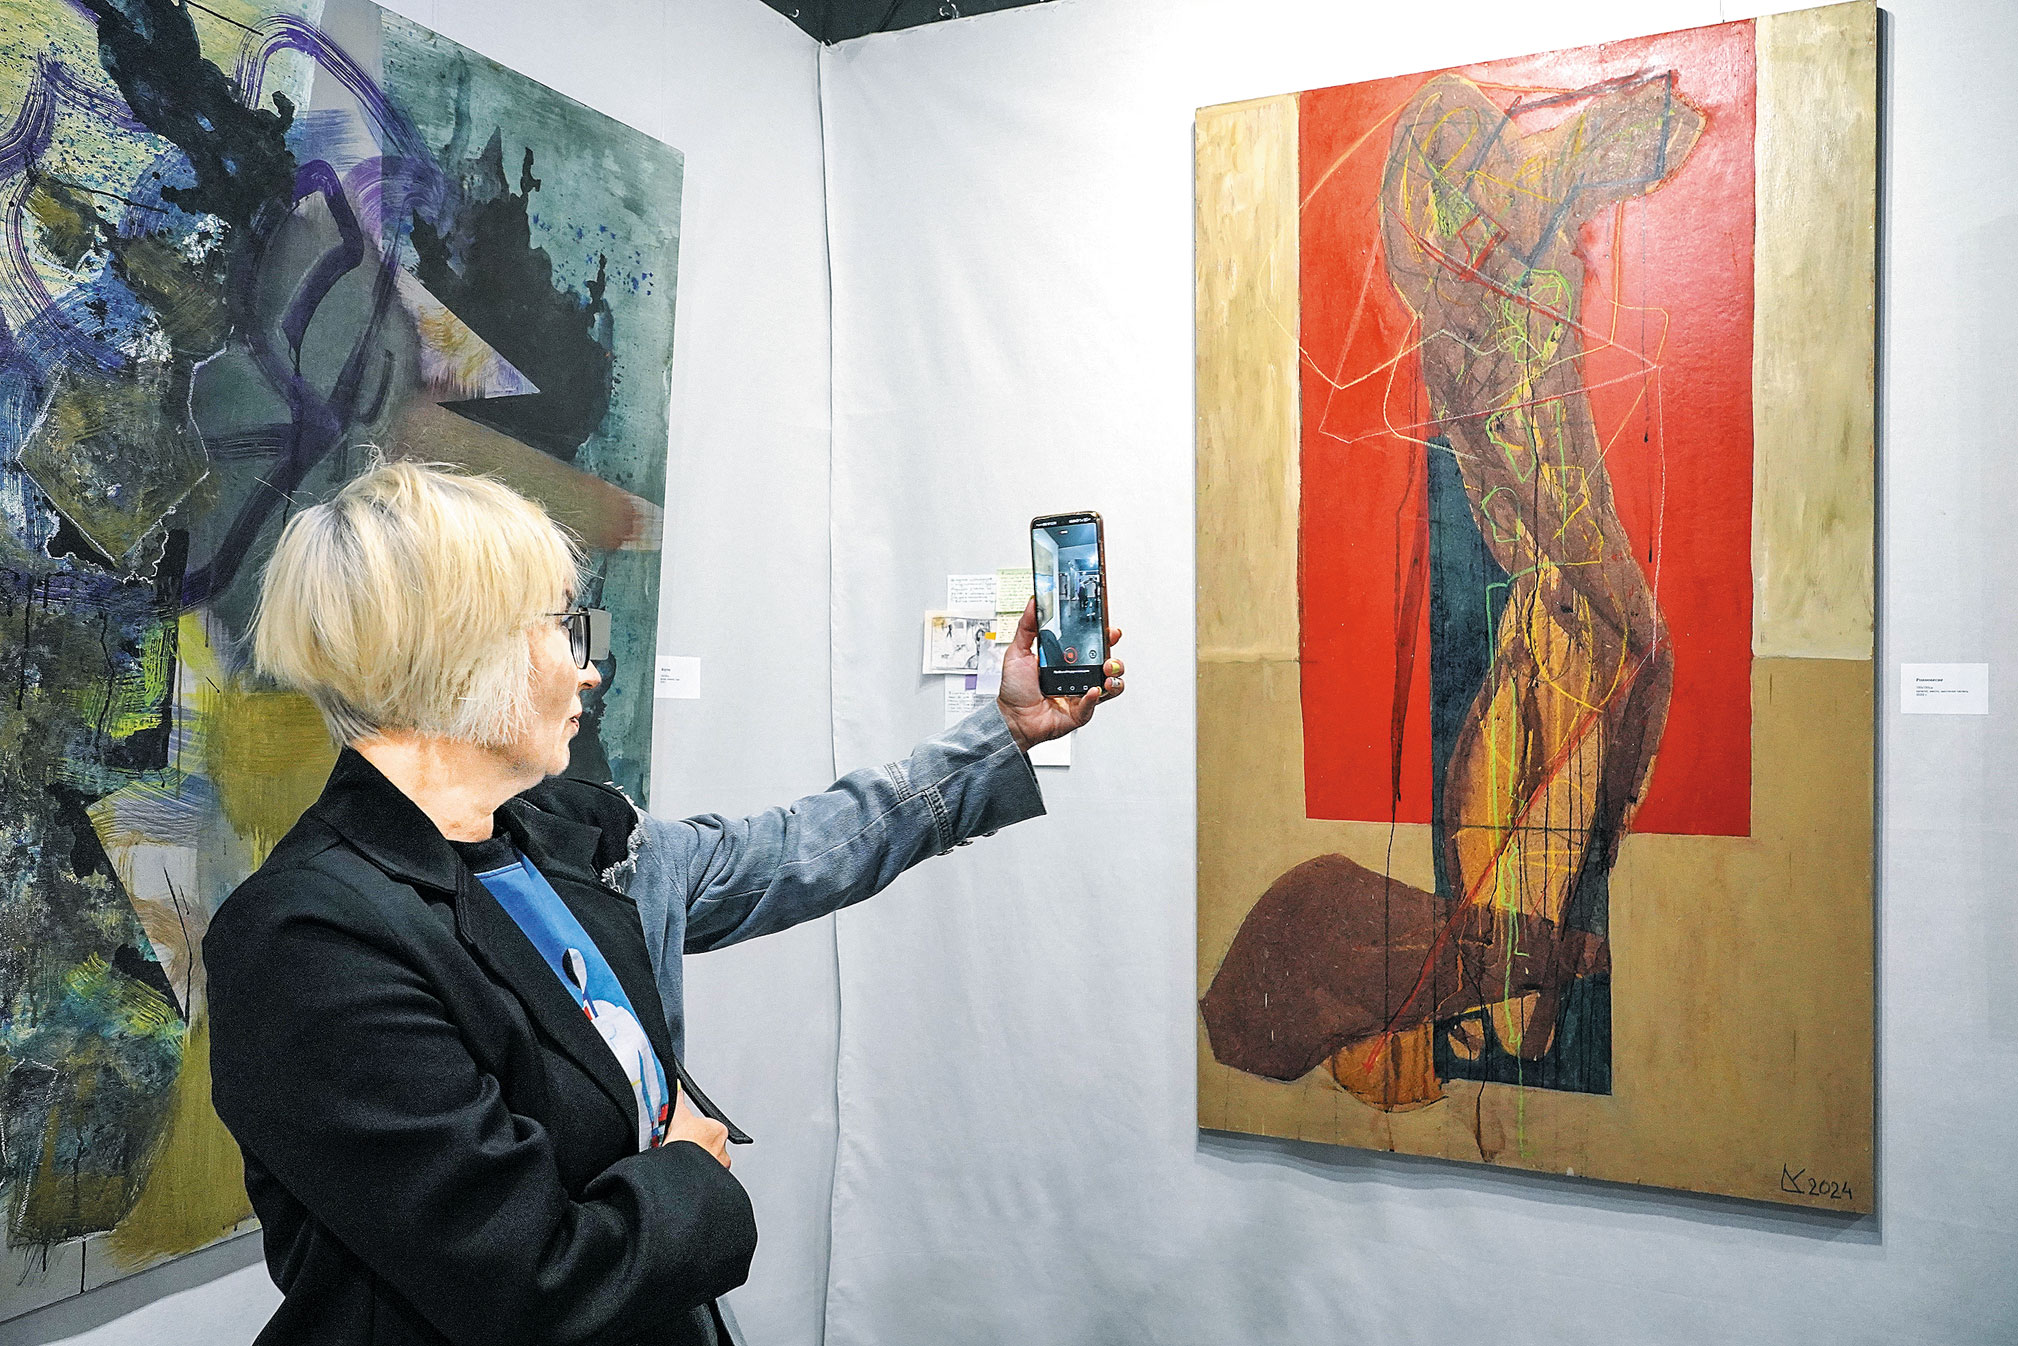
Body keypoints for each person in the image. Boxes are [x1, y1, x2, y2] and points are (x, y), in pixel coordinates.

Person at [202, 462, 1124, 1346]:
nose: (588, 670)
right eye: (564, 630)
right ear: (460, 651)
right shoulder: (309, 941)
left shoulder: (567, 837)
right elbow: (527, 1282)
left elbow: (800, 848)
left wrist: (1005, 732)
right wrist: (689, 1172)